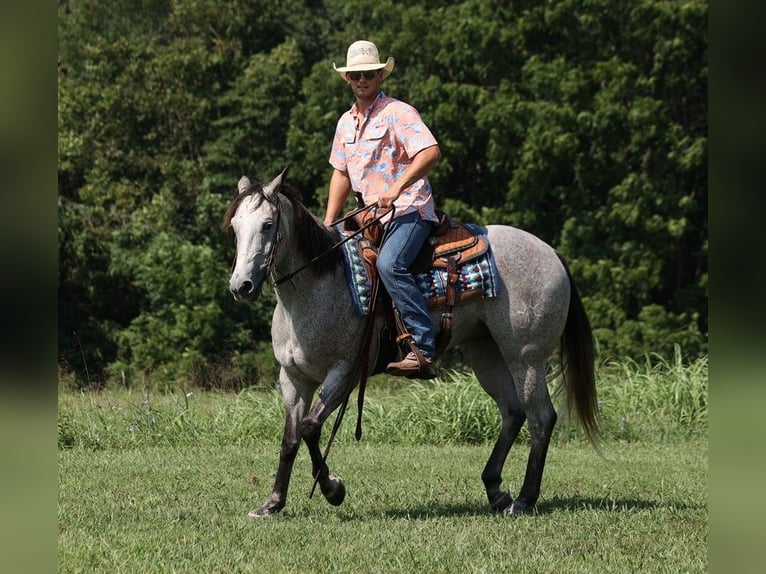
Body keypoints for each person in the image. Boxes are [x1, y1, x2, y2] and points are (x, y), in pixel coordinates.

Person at [323, 40, 441, 379]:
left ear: (379, 76)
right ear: (348, 79)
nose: (363, 80)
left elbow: (430, 152)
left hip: (408, 210)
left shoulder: (398, 113)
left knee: (390, 264)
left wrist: (396, 188)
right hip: (367, 216)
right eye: (356, 74)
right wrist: (329, 222)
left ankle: (422, 347)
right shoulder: (345, 123)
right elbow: (341, 172)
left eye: (369, 74)